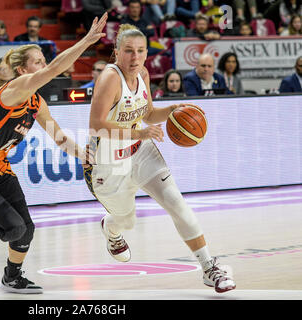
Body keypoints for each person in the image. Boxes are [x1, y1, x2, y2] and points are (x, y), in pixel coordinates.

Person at [0, 13, 108, 294]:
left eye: (44, 60)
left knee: (25, 230)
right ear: (22, 70)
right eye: (38, 62)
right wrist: (86, 42)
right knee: (13, 228)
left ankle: (12, 276)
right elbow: (57, 68)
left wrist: (84, 155)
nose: (44, 65)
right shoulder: (15, 88)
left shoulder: (36, 102)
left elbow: (58, 138)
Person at [85, 23, 236, 294]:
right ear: (117, 52)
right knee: (126, 220)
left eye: (140, 51)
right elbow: (96, 125)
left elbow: (149, 113)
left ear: (146, 53)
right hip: (109, 162)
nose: (135, 57)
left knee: (177, 204)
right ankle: (111, 228)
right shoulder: (110, 78)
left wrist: (173, 110)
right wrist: (140, 131)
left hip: (142, 152)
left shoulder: (142, 73)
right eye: (129, 51)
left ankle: (209, 267)